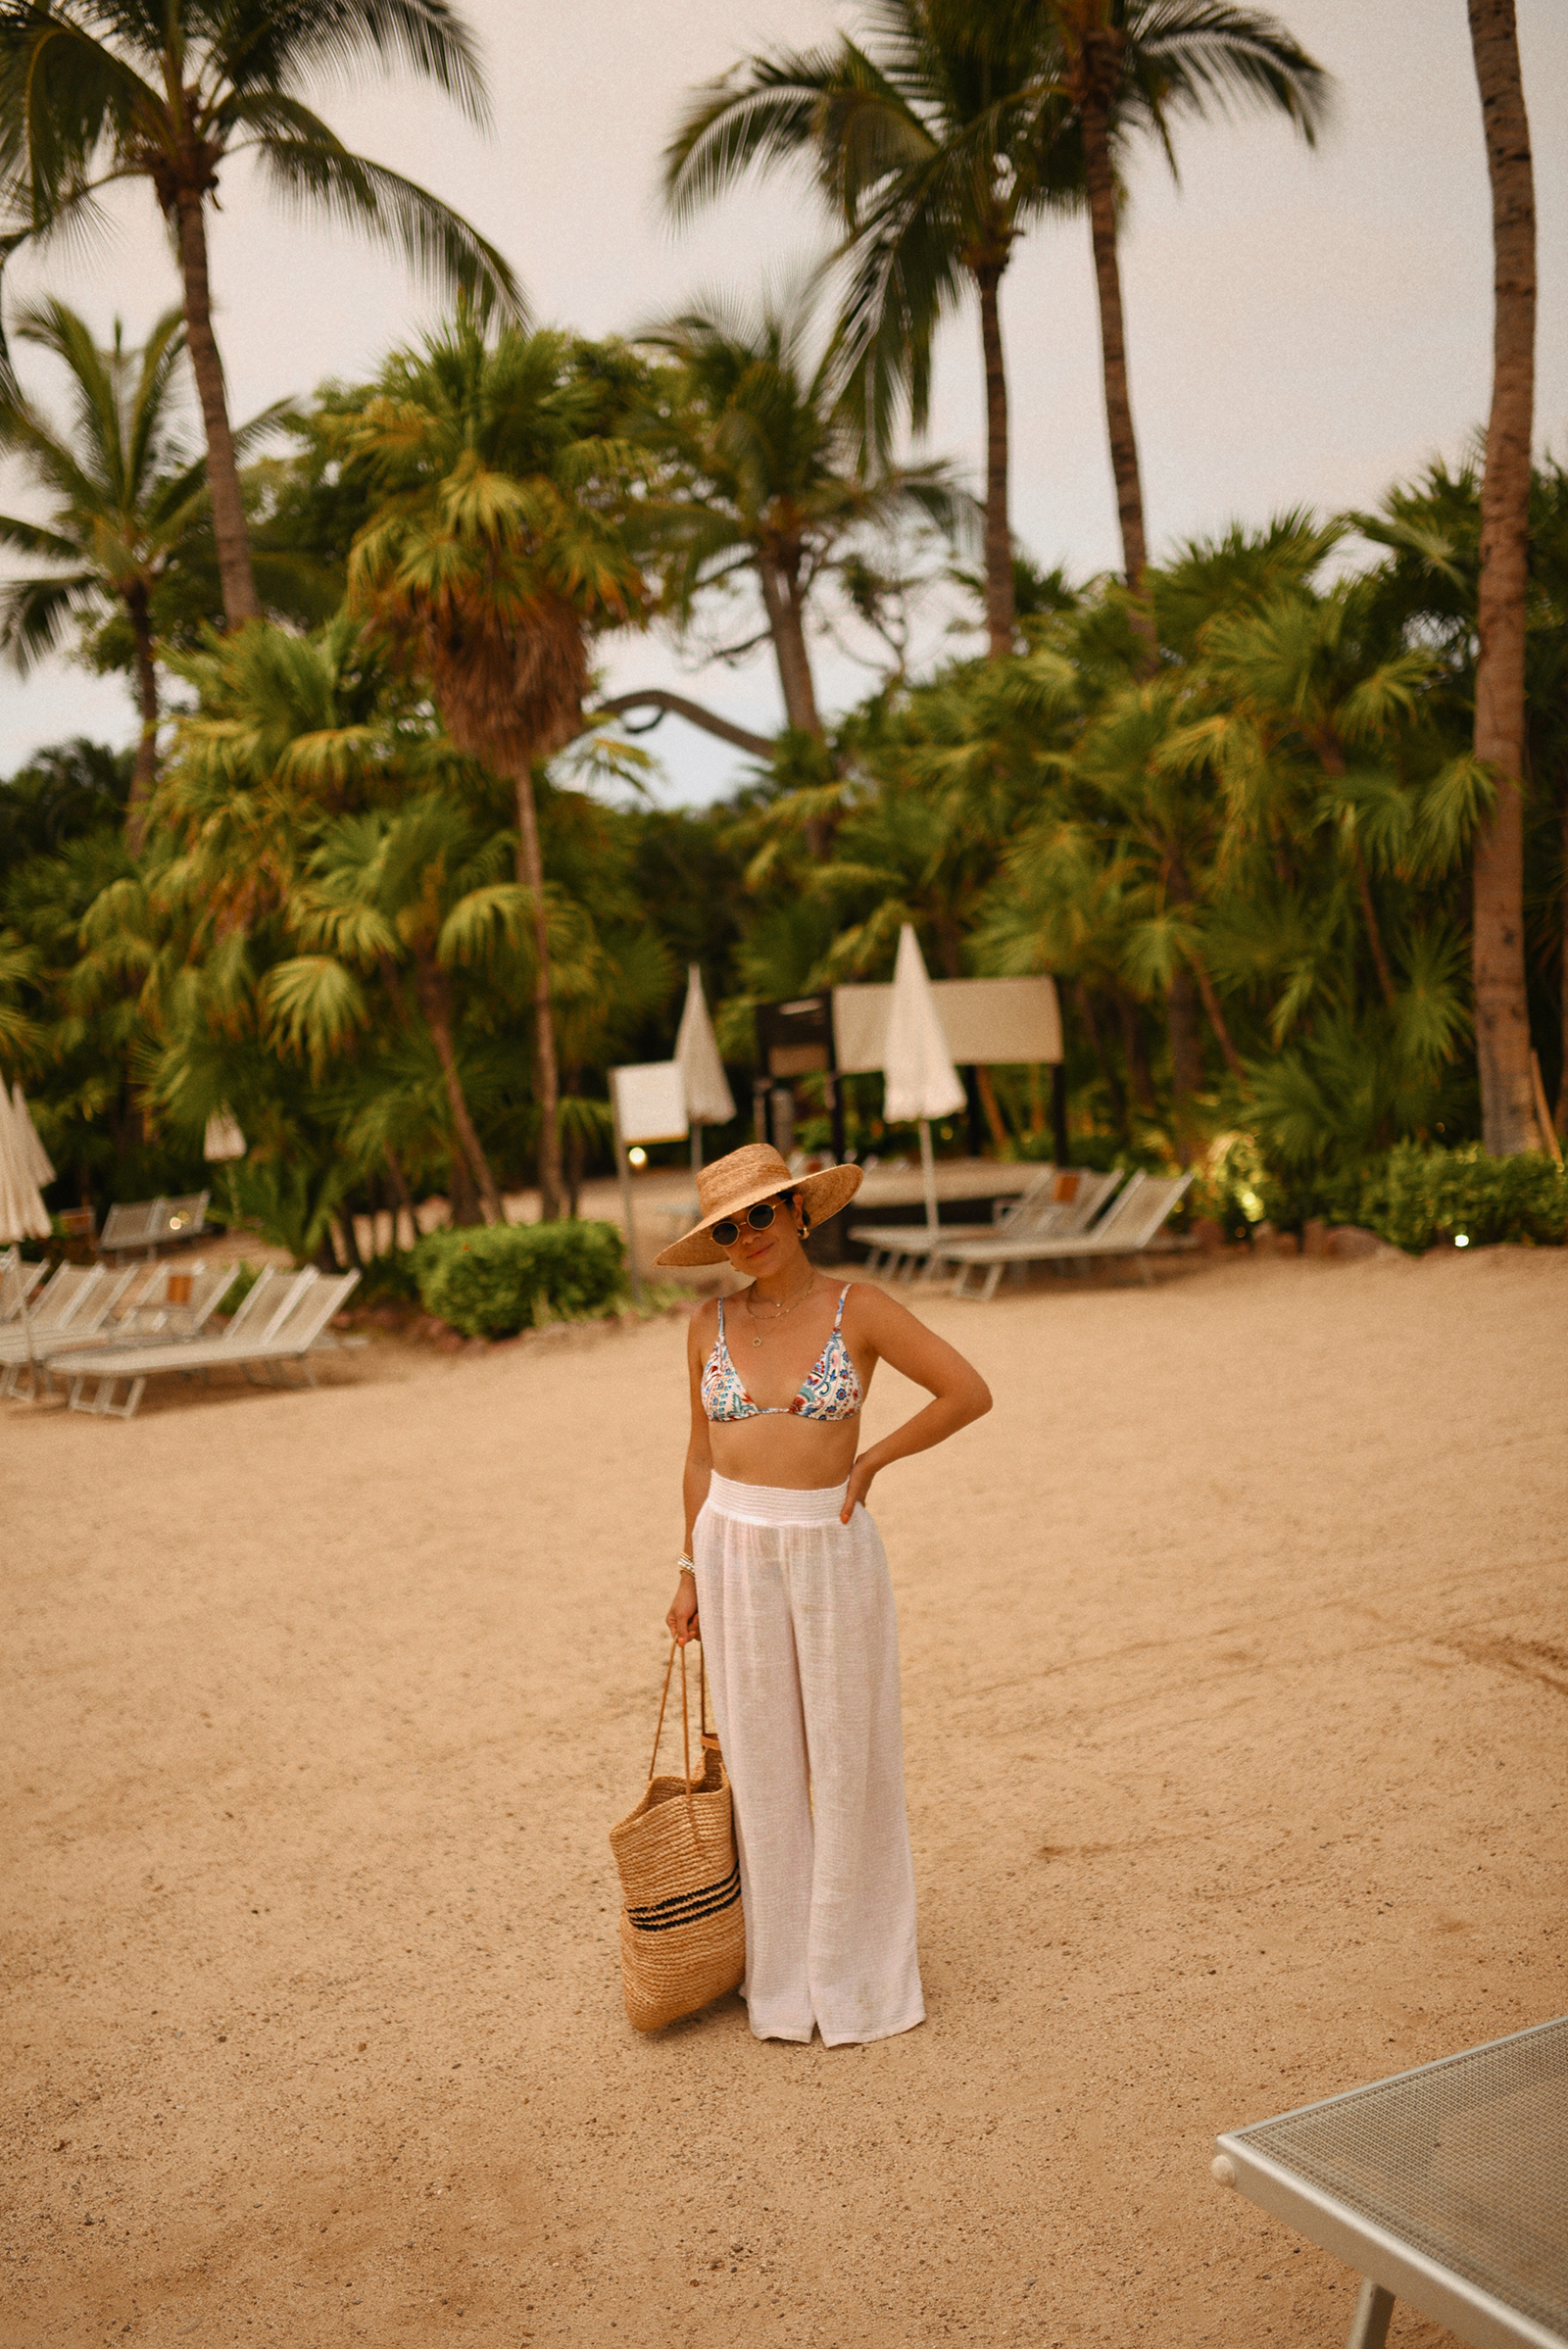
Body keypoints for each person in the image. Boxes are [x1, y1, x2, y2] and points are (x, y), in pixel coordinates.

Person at [655, 1143, 991, 2046]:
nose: (748, 1234)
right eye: (729, 1225)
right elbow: (697, 1455)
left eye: (762, 1213)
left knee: (850, 1758)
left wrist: (874, 1455)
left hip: (830, 1547)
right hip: (730, 1547)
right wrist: (687, 1571)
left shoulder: (862, 1308)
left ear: (800, 1211)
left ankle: (855, 1978)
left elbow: (968, 1390)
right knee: (762, 1765)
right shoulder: (705, 1325)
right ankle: (782, 1981)